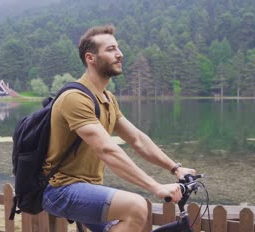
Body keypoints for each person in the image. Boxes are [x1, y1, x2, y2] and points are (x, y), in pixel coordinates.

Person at [42, 25, 196, 232]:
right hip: (60, 190)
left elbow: (137, 139)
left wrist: (175, 168)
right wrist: (155, 187)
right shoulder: (75, 98)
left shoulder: (107, 99)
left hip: (88, 188)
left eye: (118, 48)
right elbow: (107, 150)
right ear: (91, 58)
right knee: (136, 207)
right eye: (111, 49)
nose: (119, 54)